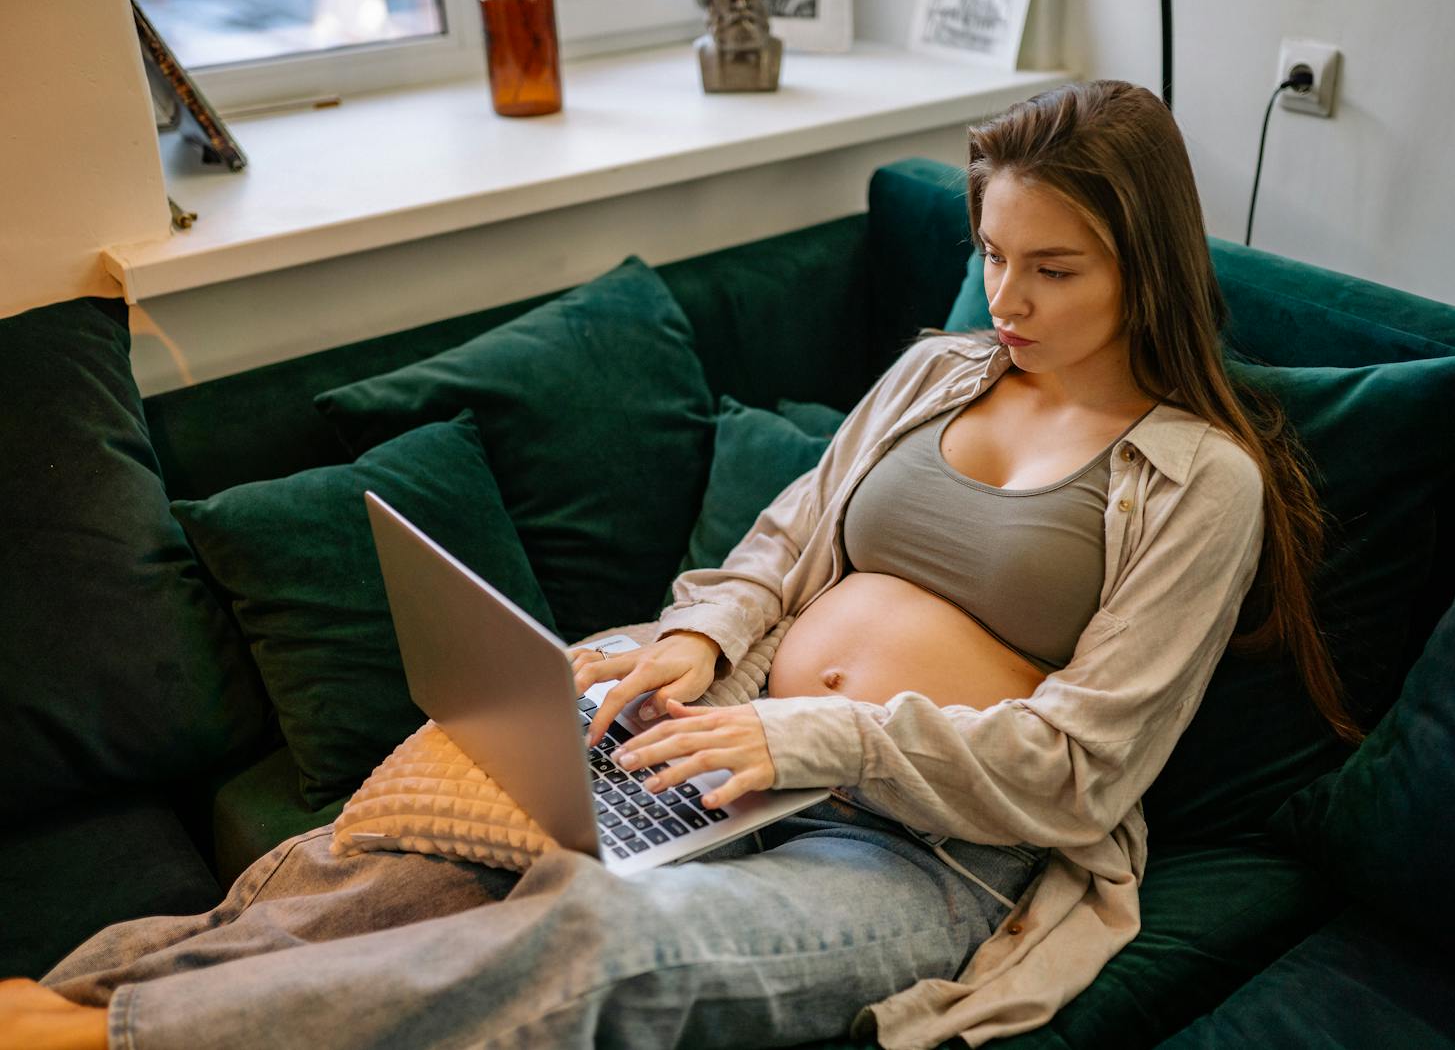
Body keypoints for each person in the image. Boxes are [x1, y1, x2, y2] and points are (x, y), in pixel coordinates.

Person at [0, 79, 1360, 1050]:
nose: (1005, 302)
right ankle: (75, 995)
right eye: (990, 255)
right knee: (390, 864)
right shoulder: (944, 370)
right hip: (725, 749)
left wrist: (811, 736)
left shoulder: (1198, 480)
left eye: (1052, 271)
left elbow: (1083, 766)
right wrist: (703, 648)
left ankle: (89, 1037)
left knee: (592, 932)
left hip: (925, 855)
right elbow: (777, 549)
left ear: (1151, 269)